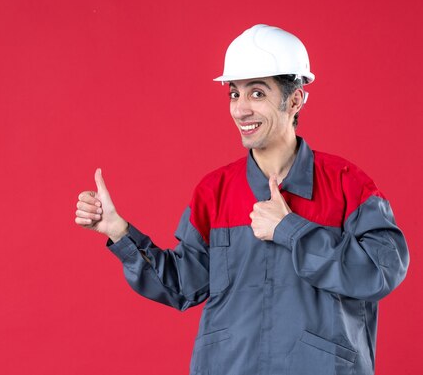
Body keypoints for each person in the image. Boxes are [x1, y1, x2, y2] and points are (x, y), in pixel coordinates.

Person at [74, 24, 409, 375]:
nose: (241, 110)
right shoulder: (215, 191)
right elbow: (182, 287)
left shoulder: (348, 186)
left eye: (257, 94)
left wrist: (291, 230)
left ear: (294, 100)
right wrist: (119, 233)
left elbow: (381, 271)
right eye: (235, 94)